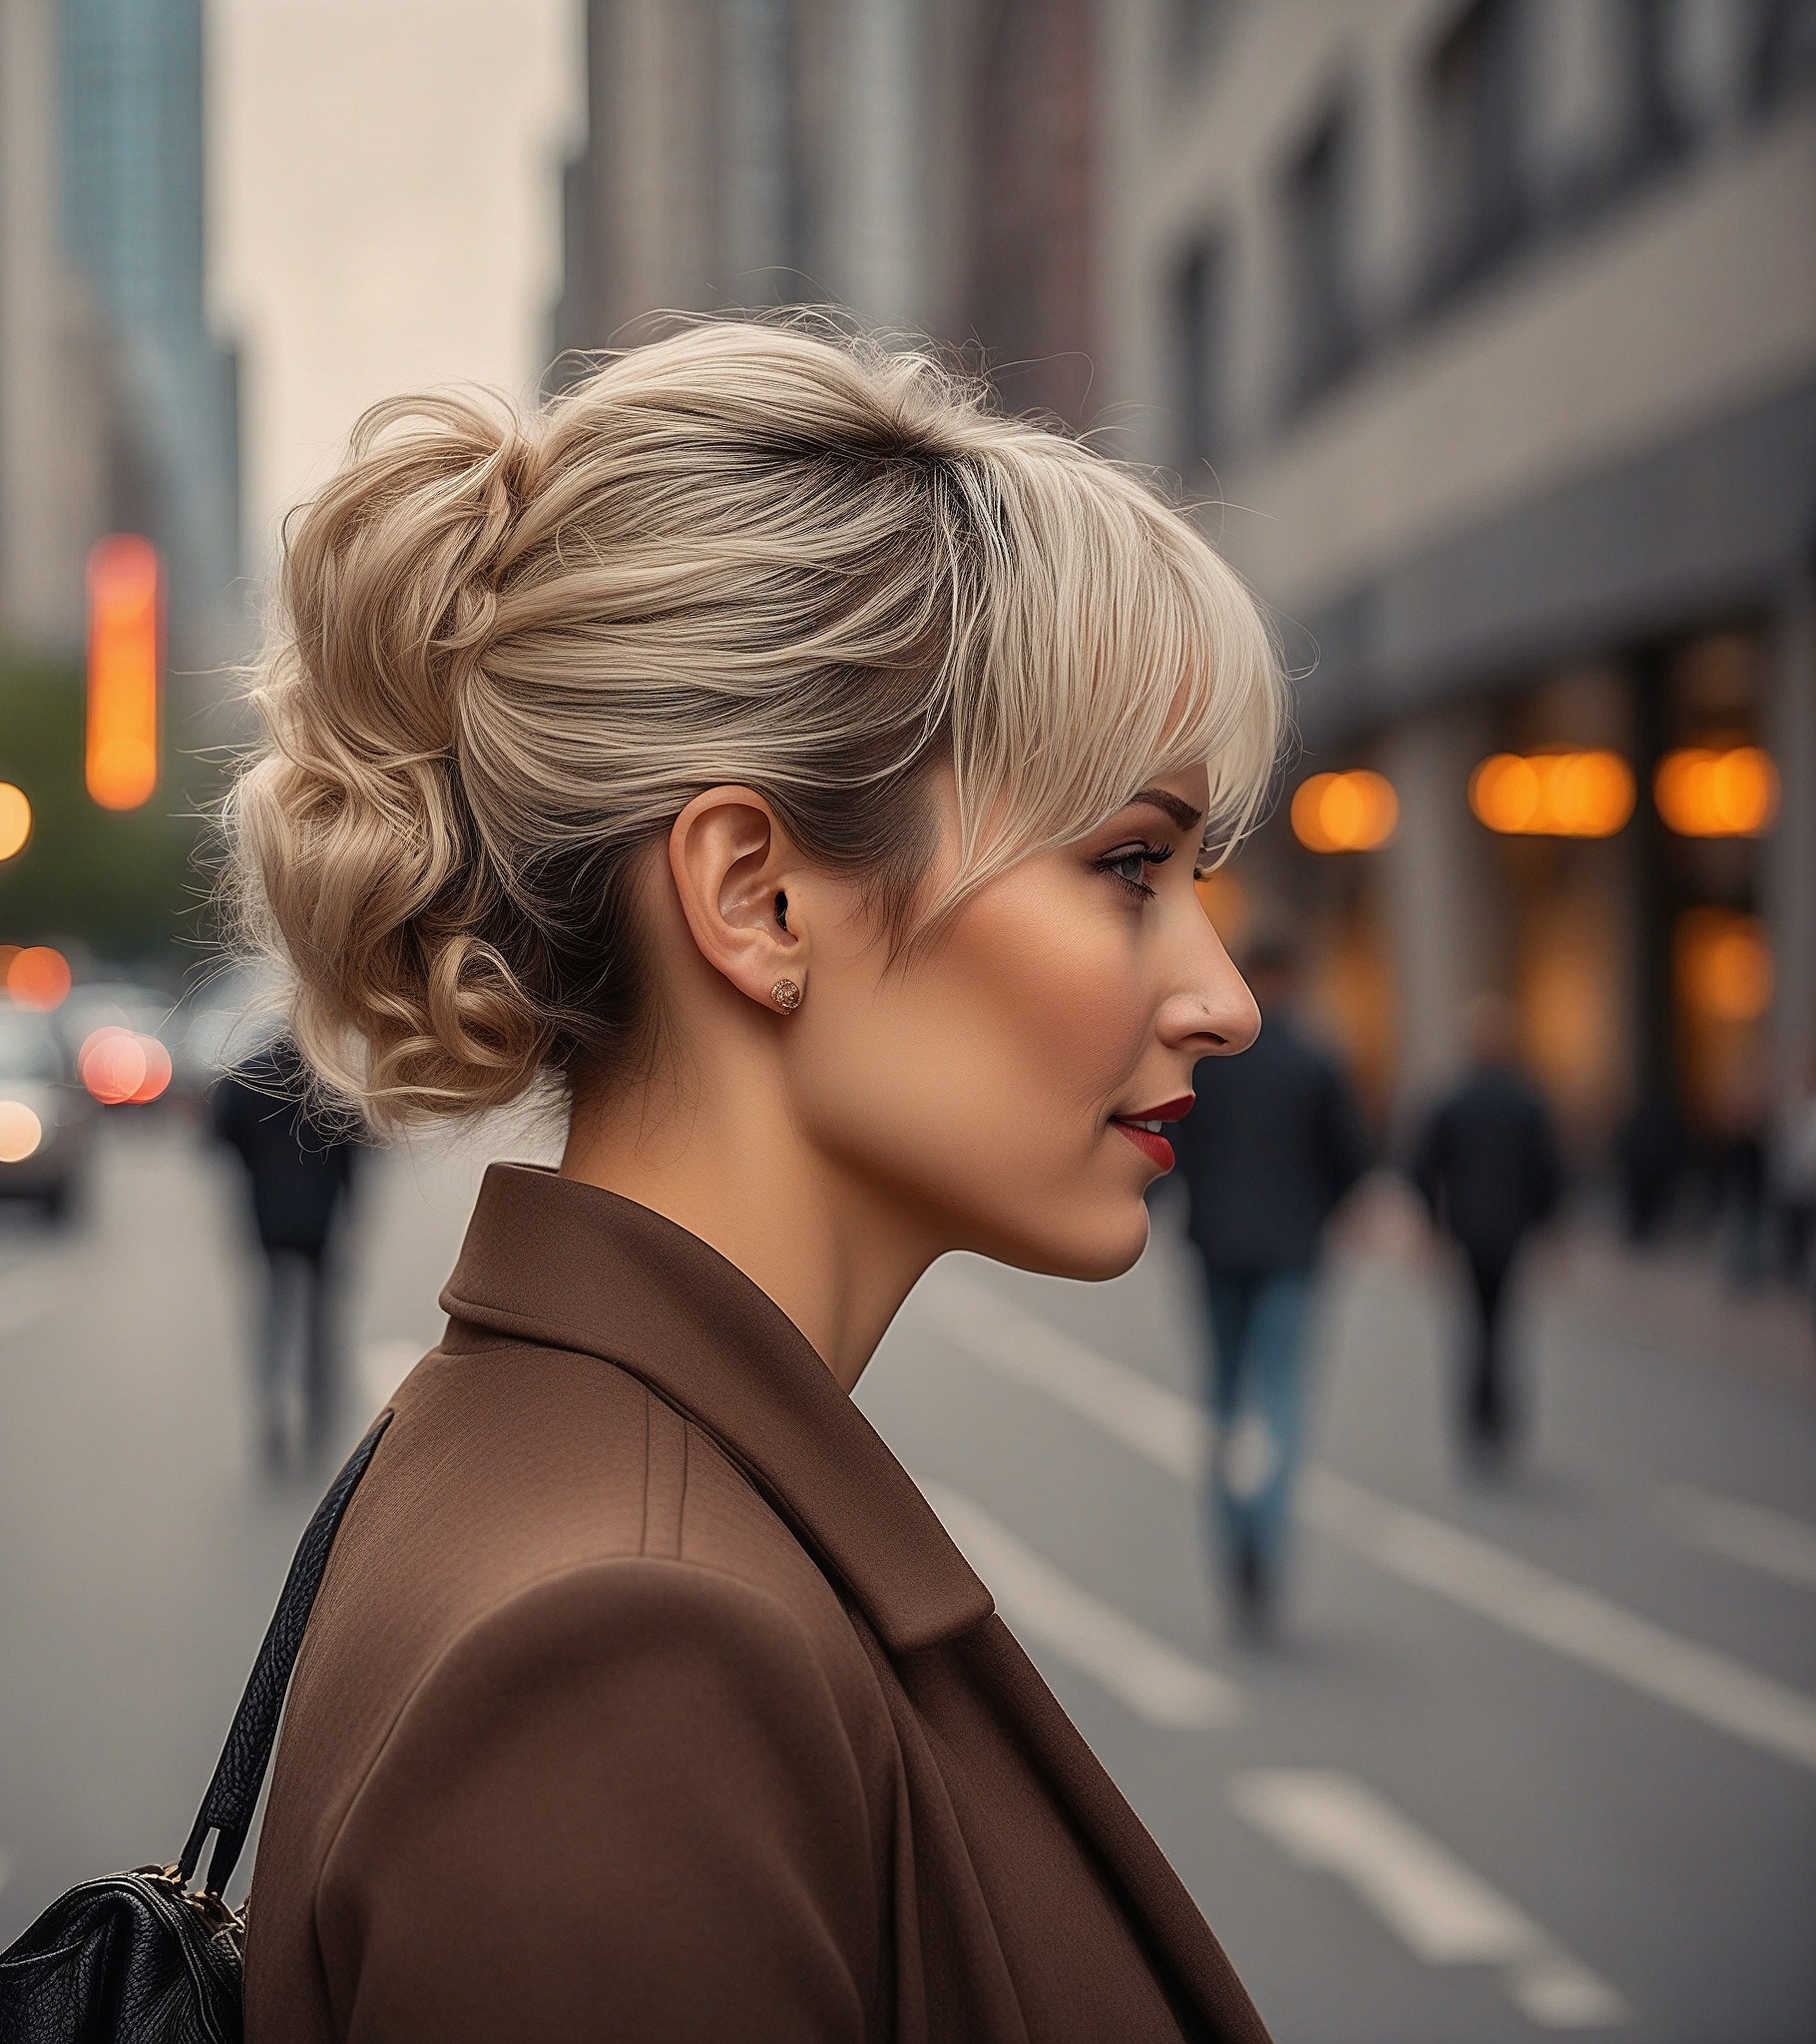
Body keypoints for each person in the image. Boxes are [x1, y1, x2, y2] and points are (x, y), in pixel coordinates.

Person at [227, 322, 1283, 2041]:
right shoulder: (633, 1660)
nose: (1221, 997)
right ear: (756, 897)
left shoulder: (562, 1476)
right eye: (1128, 866)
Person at [1172, 938, 1369, 1633]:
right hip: (1291, 1249)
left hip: (1216, 1246)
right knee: (1281, 1400)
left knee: (1223, 1400)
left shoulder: (1208, 1064)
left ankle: (1233, 1541)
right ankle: (1268, 1527)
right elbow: (1352, 1161)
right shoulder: (1317, 1061)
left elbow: (1175, 1151)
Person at [1410, 993, 1561, 1469]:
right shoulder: (1525, 1100)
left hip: (1471, 1227)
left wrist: (1432, 1224)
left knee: (1478, 1326)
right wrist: (1545, 1224)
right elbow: (1549, 1172)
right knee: (1499, 1325)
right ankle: (1495, 1418)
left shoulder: (1454, 1099)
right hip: (1507, 1229)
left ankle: (1481, 1419)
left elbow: (1422, 1166)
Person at [210, 1034, 367, 1468]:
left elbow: (220, 1136)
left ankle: (271, 1402)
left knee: (272, 1313)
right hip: (320, 1216)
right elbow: (356, 1149)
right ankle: (319, 1413)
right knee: (320, 1319)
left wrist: (256, 1168)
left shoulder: (248, 1075)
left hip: (267, 1213)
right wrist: (350, 1206)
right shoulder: (332, 1079)